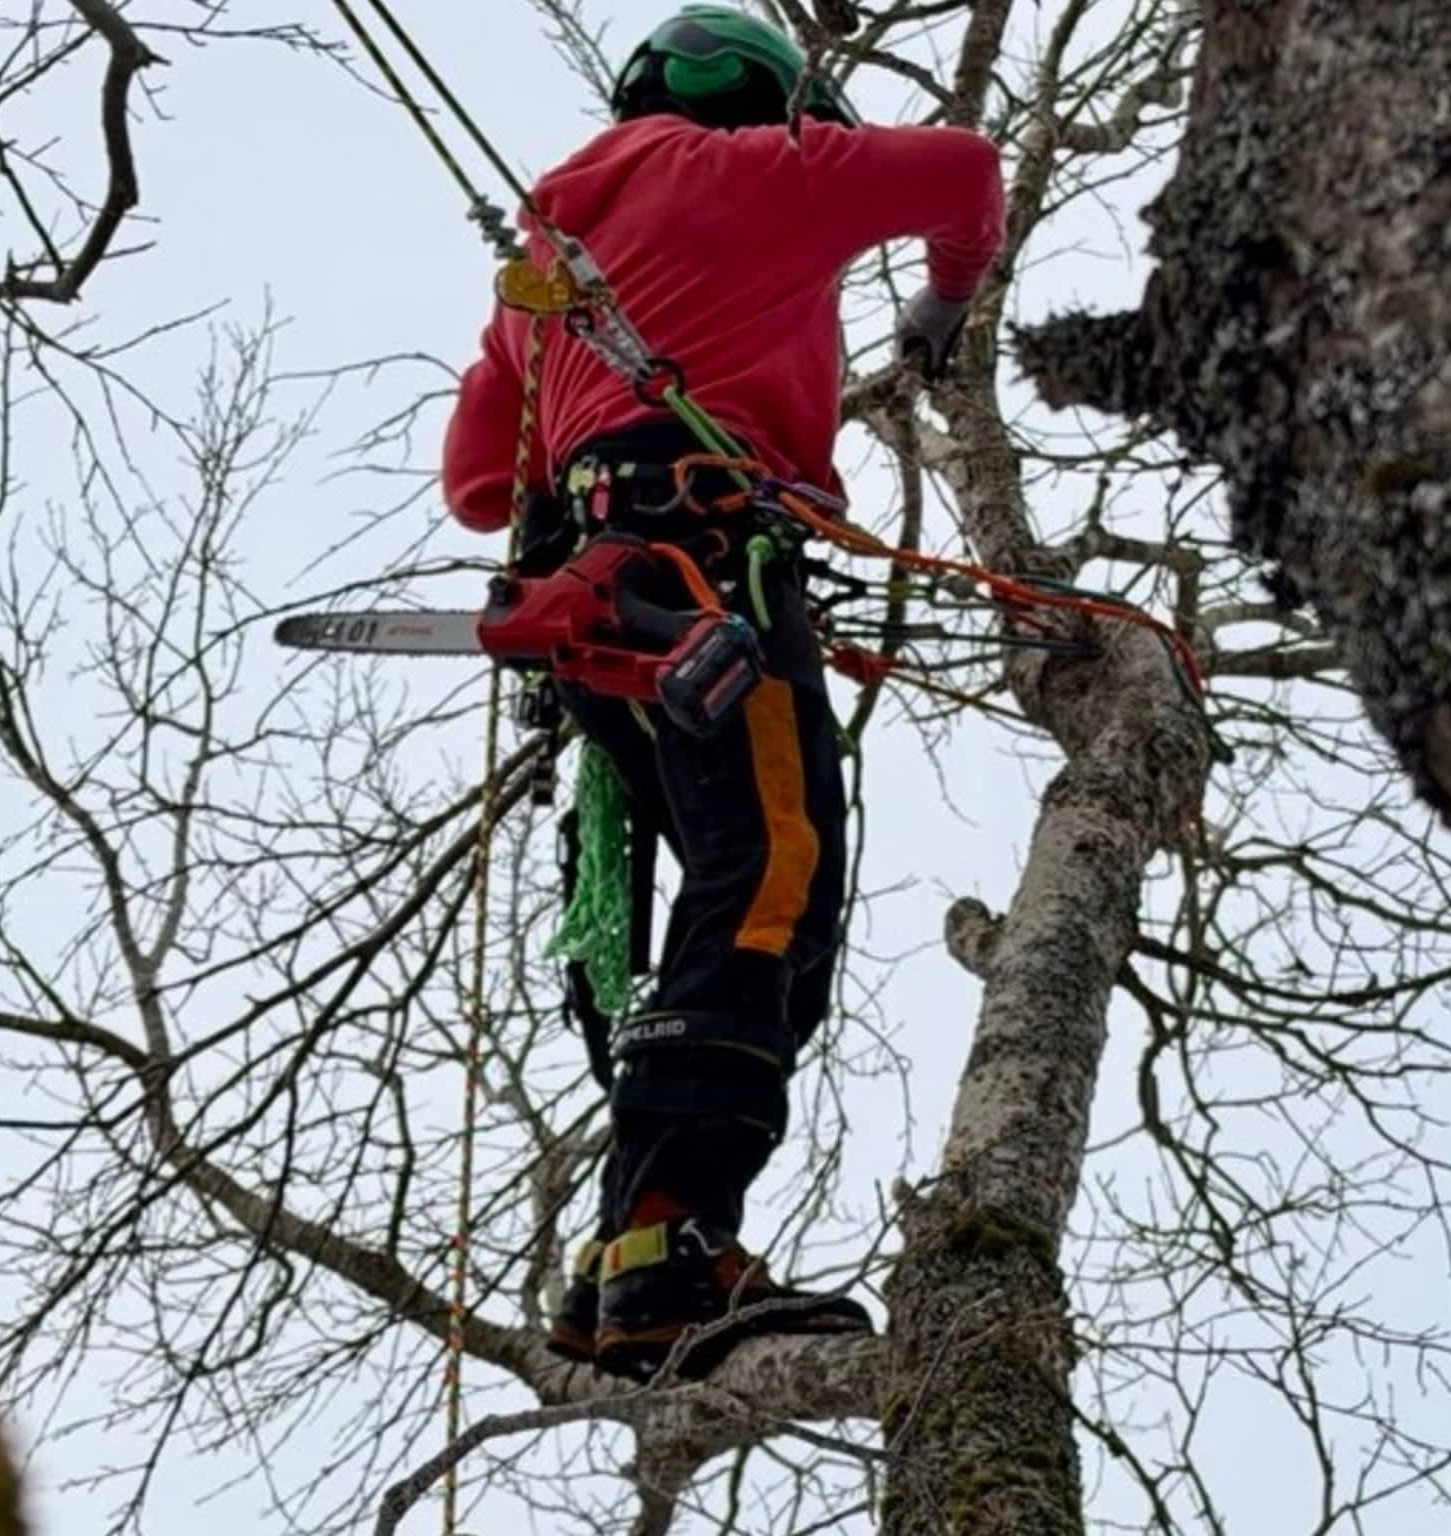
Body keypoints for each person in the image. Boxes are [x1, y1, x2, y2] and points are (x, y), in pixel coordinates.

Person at [441, 4, 1004, 1381]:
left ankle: (631, 1252)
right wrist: (938, 307)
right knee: (772, 873)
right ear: (766, 99)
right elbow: (966, 174)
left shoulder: (544, 263)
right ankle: (670, 1239)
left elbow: (477, 486)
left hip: (602, 607)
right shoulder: (755, 171)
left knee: (747, 892)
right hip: (704, 572)